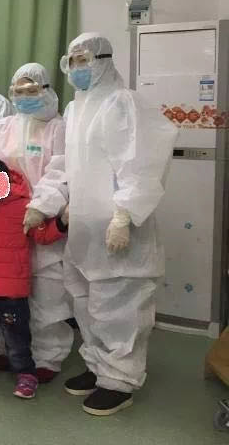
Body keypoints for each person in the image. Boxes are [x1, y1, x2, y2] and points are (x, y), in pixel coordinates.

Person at [34, 33, 177, 416]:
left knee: (121, 305)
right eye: (72, 61)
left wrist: (124, 213)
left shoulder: (122, 102)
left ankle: (120, 380)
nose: (78, 68)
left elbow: (141, 162)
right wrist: (54, 203)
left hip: (120, 229)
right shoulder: (78, 108)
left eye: (84, 60)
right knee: (88, 303)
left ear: (104, 59)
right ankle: (99, 367)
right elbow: (68, 165)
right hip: (85, 230)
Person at [0, 63, 71, 383]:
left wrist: (41, 207)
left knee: (47, 295)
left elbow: (61, 171)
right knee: (3, 297)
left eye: (31, 90)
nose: (24, 97)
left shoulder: (58, 128)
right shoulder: (1, 128)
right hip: (3, 228)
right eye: (19, 92)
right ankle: (10, 352)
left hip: (40, 222)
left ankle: (48, 358)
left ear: (47, 89)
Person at [0, 160, 68, 400]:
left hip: (10, 289)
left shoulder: (23, 208)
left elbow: (42, 235)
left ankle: (25, 373)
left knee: (16, 335)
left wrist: (62, 222)